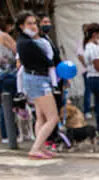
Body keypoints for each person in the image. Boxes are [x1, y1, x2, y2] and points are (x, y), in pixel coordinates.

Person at [16, 11, 59, 159]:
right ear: (21, 26)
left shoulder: (28, 41)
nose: (33, 26)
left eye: (34, 23)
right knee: (53, 117)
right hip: (38, 81)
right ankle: (35, 148)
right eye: (29, 23)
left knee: (41, 117)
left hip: (37, 79)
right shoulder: (26, 42)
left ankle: (40, 146)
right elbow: (47, 61)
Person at [0, 16, 17, 144]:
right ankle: (11, 133)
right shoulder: (4, 36)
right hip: (8, 73)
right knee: (11, 103)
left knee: (3, 104)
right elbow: (18, 51)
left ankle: (6, 134)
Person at [77, 24, 92, 119]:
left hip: (93, 71)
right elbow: (79, 55)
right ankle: (86, 110)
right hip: (87, 71)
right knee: (88, 90)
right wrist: (86, 65)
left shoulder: (91, 42)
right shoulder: (82, 41)